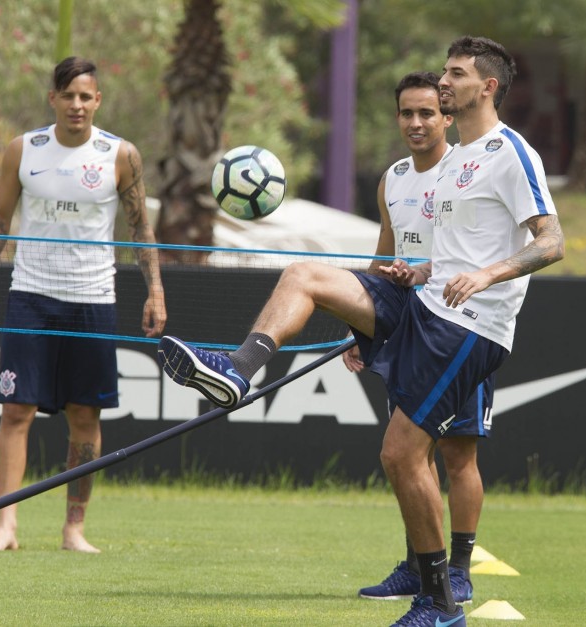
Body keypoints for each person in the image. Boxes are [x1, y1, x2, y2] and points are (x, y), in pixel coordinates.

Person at [157, 35, 563, 627]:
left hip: (470, 326)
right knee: (303, 275)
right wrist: (417, 270)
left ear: (488, 87)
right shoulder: (451, 165)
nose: (443, 83)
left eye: (454, 75)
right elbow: (446, 255)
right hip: (424, 304)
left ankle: (440, 602)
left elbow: (551, 241)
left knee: (405, 455)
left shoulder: (509, 151)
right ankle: (237, 371)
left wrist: (484, 275)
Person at [0, 57, 167, 553]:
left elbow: (140, 228)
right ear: (53, 100)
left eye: (86, 96)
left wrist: (156, 290)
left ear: (97, 100)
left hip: (92, 300)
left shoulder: (120, 154)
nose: (77, 105)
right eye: (68, 96)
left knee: (85, 418)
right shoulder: (25, 149)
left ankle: (74, 528)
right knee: (15, 410)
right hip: (31, 296)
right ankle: (5, 526)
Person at [348, 71, 493, 605]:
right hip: (404, 329)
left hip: (457, 329)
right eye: (406, 113)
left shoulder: (466, 171)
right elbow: (383, 253)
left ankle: (457, 570)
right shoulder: (392, 178)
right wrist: (358, 324)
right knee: (412, 455)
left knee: (458, 457)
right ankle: (415, 567)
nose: (415, 122)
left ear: (448, 117)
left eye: (427, 113)